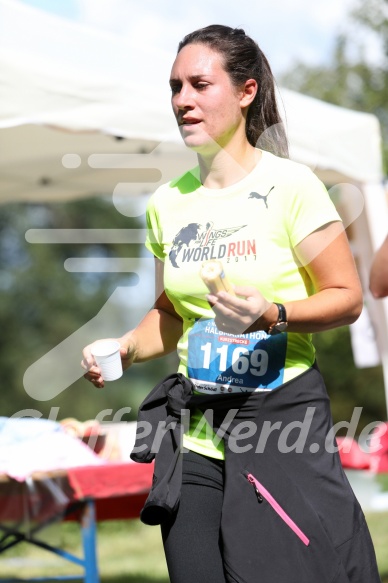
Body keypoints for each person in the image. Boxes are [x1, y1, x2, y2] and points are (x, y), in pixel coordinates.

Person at [82, 25, 381, 583]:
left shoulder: (293, 186)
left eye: (199, 84)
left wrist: (273, 314)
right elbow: (171, 314)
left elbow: (347, 298)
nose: (182, 101)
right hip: (194, 431)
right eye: (175, 87)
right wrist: (123, 346)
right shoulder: (167, 204)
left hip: (279, 423)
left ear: (246, 92)